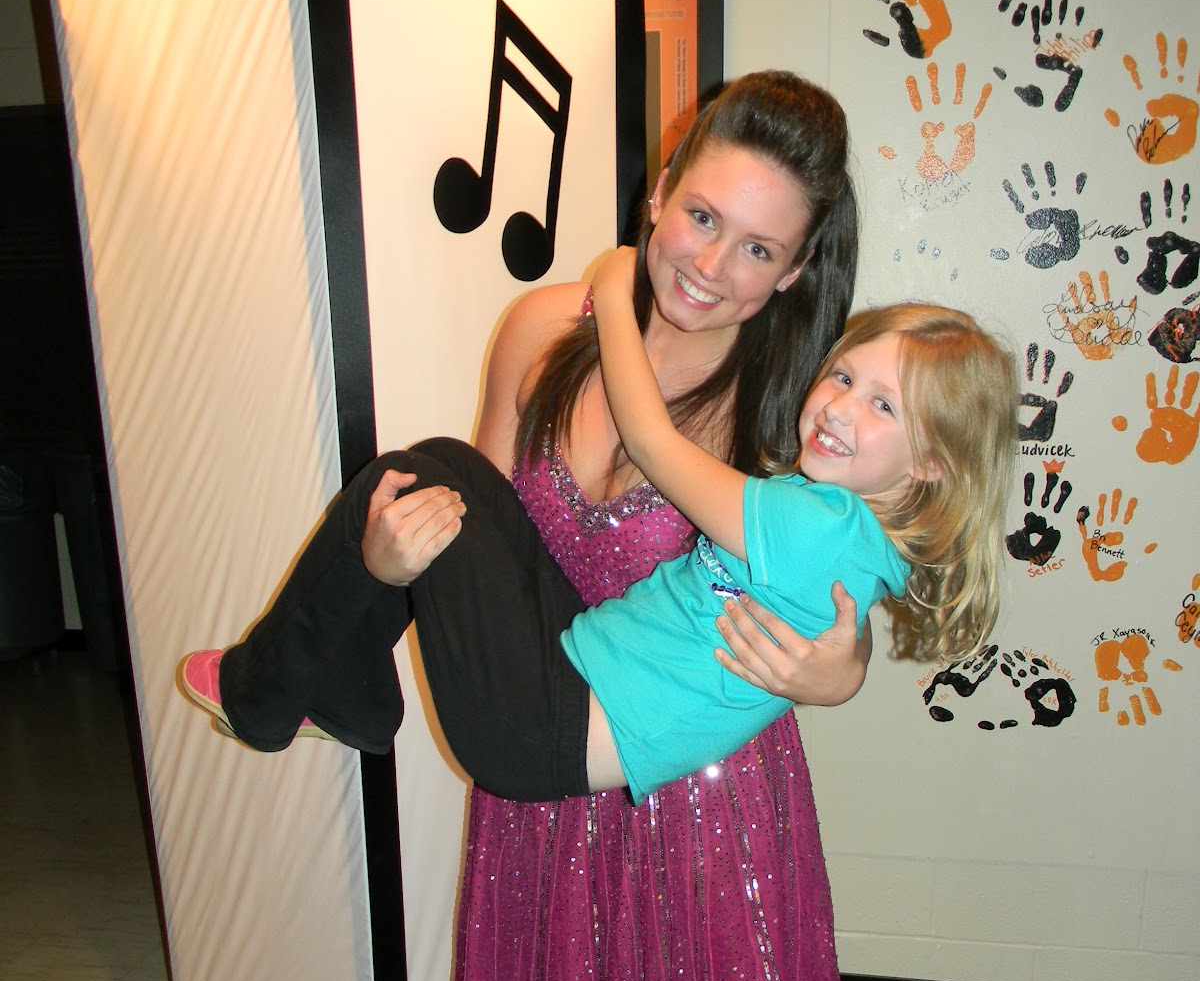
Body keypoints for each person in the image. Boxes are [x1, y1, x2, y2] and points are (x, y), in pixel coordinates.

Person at [188, 72, 880, 981]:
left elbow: (847, 596)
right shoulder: (538, 331)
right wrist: (392, 564)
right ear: (659, 191)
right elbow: (489, 565)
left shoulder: (798, 400)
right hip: (549, 746)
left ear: (799, 269)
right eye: (701, 217)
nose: (712, 266)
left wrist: (842, 671)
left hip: (702, 786)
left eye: (760, 248)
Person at [181, 281, 1015, 808]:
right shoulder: (852, 535)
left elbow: (652, 443)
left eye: (883, 407)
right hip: (572, 676)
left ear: (931, 464)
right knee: (443, 469)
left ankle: (264, 692)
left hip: (544, 728)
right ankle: (347, 690)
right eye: (844, 377)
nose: (838, 408)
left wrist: (614, 297)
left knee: (412, 476)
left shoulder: (819, 526)